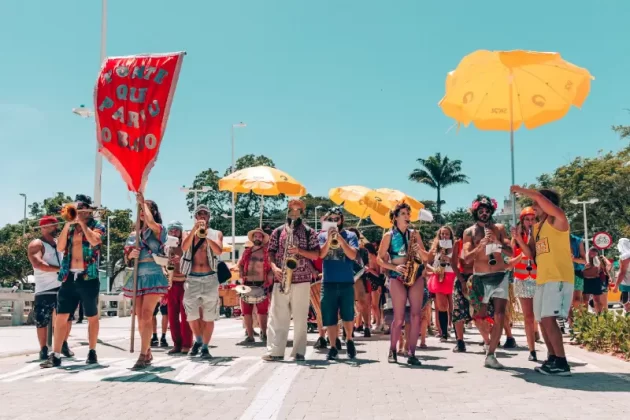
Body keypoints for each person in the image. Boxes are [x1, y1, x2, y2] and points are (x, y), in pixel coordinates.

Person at [510, 186, 573, 376]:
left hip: (558, 277)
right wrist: (518, 240)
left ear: (548, 204)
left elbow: (538, 196)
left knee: (548, 318)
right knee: (542, 320)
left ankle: (562, 363)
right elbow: (531, 254)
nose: (534, 207)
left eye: (536, 204)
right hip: (543, 278)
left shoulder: (559, 219)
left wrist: (519, 190)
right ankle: (552, 358)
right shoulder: (537, 228)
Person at [41, 195, 106, 368]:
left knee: (92, 316)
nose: (78, 212)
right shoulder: (69, 228)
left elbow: (95, 241)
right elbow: (61, 247)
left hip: (88, 277)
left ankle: (92, 351)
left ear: (88, 210)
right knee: (61, 315)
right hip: (69, 277)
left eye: (81, 209)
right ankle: (55, 354)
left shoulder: (97, 226)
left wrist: (82, 225)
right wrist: (69, 223)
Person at [263, 199, 320, 362]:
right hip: (281, 278)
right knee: (277, 317)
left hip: (302, 279)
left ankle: (299, 352)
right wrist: (274, 268)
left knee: (301, 317)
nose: (294, 212)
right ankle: (275, 351)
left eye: (298, 209)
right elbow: (270, 253)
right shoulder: (278, 231)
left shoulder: (309, 231)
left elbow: (316, 254)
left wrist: (299, 251)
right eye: (291, 209)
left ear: (302, 212)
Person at [462, 194, 513, 369]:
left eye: (487, 210)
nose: (484, 213)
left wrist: (497, 242)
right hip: (480, 278)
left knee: (499, 315)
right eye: (481, 211)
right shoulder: (469, 232)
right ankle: (488, 341)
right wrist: (481, 246)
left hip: (499, 276)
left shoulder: (499, 228)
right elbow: (466, 258)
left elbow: (511, 252)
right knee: (479, 317)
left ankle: (491, 355)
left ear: (491, 212)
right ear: (476, 212)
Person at [377, 202, 428, 366]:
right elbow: (379, 259)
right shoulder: (389, 235)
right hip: (397, 276)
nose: (407, 216)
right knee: (399, 318)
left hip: (415, 275)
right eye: (404, 213)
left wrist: (418, 250)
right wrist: (394, 267)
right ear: (395, 217)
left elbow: (426, 258)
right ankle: (393, 350)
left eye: (408, 213)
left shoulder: (415, 234)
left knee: (416, 316)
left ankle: (412, 352)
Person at [123, 195, 170, 369]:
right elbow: (126, 258)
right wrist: (130, 255)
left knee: (146, 314)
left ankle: (143, 354)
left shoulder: (157, 229)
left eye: (146, 210)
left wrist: (142, 202)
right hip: (137, 275)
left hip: (153, 273)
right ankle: (147, 349)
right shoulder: (133, 234)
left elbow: (150, 223)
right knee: (140, 317)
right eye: (140, 210)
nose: (142, 213)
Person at [180, 205, 224, 359]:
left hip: (210, 277)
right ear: (195, 216)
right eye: (200, 214)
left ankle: (205, 346)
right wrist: (194, 231)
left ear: (209, 217)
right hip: (192, 278)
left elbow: (218, 251)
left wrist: (207, 237)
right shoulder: (188, 232)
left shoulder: (216, 233)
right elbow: (184, 247)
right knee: (191, 314)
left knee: (209, 316)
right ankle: (198, 339)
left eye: (205, 214)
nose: (202, 216)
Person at [27, 215, 73, 360]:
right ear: (44, 227)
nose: (56, 228)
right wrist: (60, 269)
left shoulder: (59, 243)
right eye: (53, 225)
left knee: (67, 317)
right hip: (45, 288)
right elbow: (38, 264)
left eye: (56, 225)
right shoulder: (37, 243)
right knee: (42, 319)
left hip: (63, 287)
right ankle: (43, 348)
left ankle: (63, 343)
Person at [318, 208, 359, 360]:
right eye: (331, 219)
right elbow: (321, 255)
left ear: (341, 220)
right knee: (329, 316)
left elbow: (353, 255)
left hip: (346, 282)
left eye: (337, 219)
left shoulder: (350, 235)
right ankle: (333, 346)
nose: (334, 222)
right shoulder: (322, 235)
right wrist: (329, 239)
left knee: (348, 315)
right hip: (328, 282)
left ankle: (349, 339)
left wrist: (341, 240)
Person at [511, 207, 539, 361]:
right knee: (528, 316)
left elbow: (530, 254)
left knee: (541, 316)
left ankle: (549, 348)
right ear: (522, 221)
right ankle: (532, 350)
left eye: (532, 219)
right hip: (521, 278)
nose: (530, 222)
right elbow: (510, 254)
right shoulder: (515, 237)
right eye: (527, 219)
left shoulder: (540, 235)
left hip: (538, 278)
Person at [238, 228, 273, 343]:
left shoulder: (267, 252)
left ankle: (263, 333)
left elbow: (272, 267)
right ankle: (250, 335)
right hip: (247, 284)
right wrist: (241, 271)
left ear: (262, 239)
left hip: (261, 284)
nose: (257, 238)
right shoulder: (247, 252)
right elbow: (241, 265)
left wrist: (270, 275)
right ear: (252, 238)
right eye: (256, 236)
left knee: (262, 311)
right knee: (246, 312)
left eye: (260, 237)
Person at [426, 225, 459, 343]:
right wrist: (433, 269)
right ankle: (443, 333)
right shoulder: (436, 248)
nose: (444, 236)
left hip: (452, 277)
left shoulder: (455, 247)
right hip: (439, 277)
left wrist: (449, 260)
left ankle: (457, 332)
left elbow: (460, 263)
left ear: (451, 236)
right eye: (442, 234)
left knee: (454, 306)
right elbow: (426, 262)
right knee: (442, 306)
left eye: (446, 234)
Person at [165, 221, 192, 355]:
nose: (174, 232)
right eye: (171, 230)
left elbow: (191, 262)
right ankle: (176, 343)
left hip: (185, 282)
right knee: (172, 317)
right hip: (171, 283)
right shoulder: (166, 246)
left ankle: (187, 344)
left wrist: (180, 260)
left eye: (176, 230)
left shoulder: (186, 246)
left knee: (185, 315)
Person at [452, 223, 472, 353]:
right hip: (462, 277)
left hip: (477, 278)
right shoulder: (458, 244)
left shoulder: (478, 243)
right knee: (458, 310)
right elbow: (453, 263)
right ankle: (460, 341)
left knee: (481, 310)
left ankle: (488, 340)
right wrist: (462, 280)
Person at [347, 227, 371, 338]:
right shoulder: (344, 249)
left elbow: (367, 264)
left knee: (363, 303)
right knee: (348, 304)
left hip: (360, 278)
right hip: (346, 278)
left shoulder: (363, 251)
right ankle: (348, 329)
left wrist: (364, 268)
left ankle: (366, 326)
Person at [581, 247, 610, 313]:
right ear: (589, 252)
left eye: (595, 252)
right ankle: (584, 316)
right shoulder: (584, 259)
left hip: (596, 280)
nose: (593, 254)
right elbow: (579, 270)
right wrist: (584, 267)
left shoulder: (598, 260)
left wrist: (608, 277)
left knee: (597, 300)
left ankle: (598, 316)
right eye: (592, 252)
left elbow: (605, 268)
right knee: (585, 300)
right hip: (586, 281)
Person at [613, 238, 630, 314]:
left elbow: (622, 273)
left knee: (626, 303)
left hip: (627, 284)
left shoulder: (624, 257)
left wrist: (616, 285)